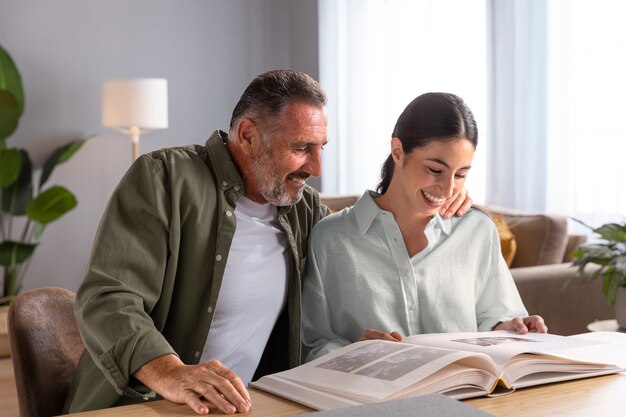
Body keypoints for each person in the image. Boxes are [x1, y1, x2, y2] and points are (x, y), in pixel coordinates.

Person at [63, 71, 471, 416]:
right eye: (301, 149)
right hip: (141, 404)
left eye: (321, 148)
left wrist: (442, 199)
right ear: (247, 135)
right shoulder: (164, 180)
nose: (316, 167)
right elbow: (108, 298)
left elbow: (360, 245)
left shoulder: (305, 209)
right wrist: (173, 373)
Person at [301, 92, 547, 362]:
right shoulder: (332, 238)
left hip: (463, 390)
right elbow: (314, 344)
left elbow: (493, 316)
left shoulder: (477, 231)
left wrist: (511, 328)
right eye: (435, 169)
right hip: (372, 396)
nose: (448, 188)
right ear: (398, 151)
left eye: (461, 174)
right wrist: (356, 352)